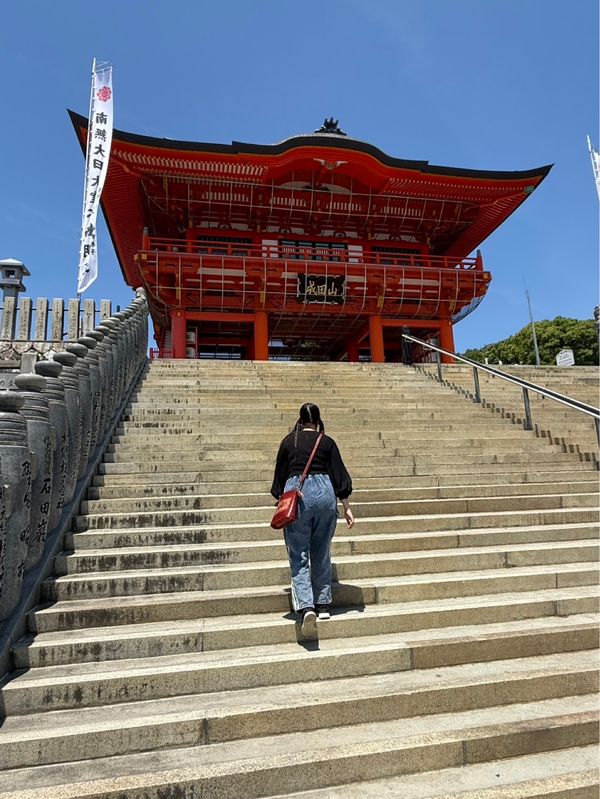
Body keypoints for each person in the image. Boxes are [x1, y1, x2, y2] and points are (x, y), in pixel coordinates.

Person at [271, 402, 355, 639]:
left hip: (298, 496)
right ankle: (323, 604)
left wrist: (281, 501)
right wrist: (347, 508)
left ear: (300, 420)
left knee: (299, 554)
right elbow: (339, 475)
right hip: (325, 495)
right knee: (321, 551)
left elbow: (279, 479)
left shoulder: (289, 441)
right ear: (317, 421)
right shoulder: (326, 442)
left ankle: (307, 607)